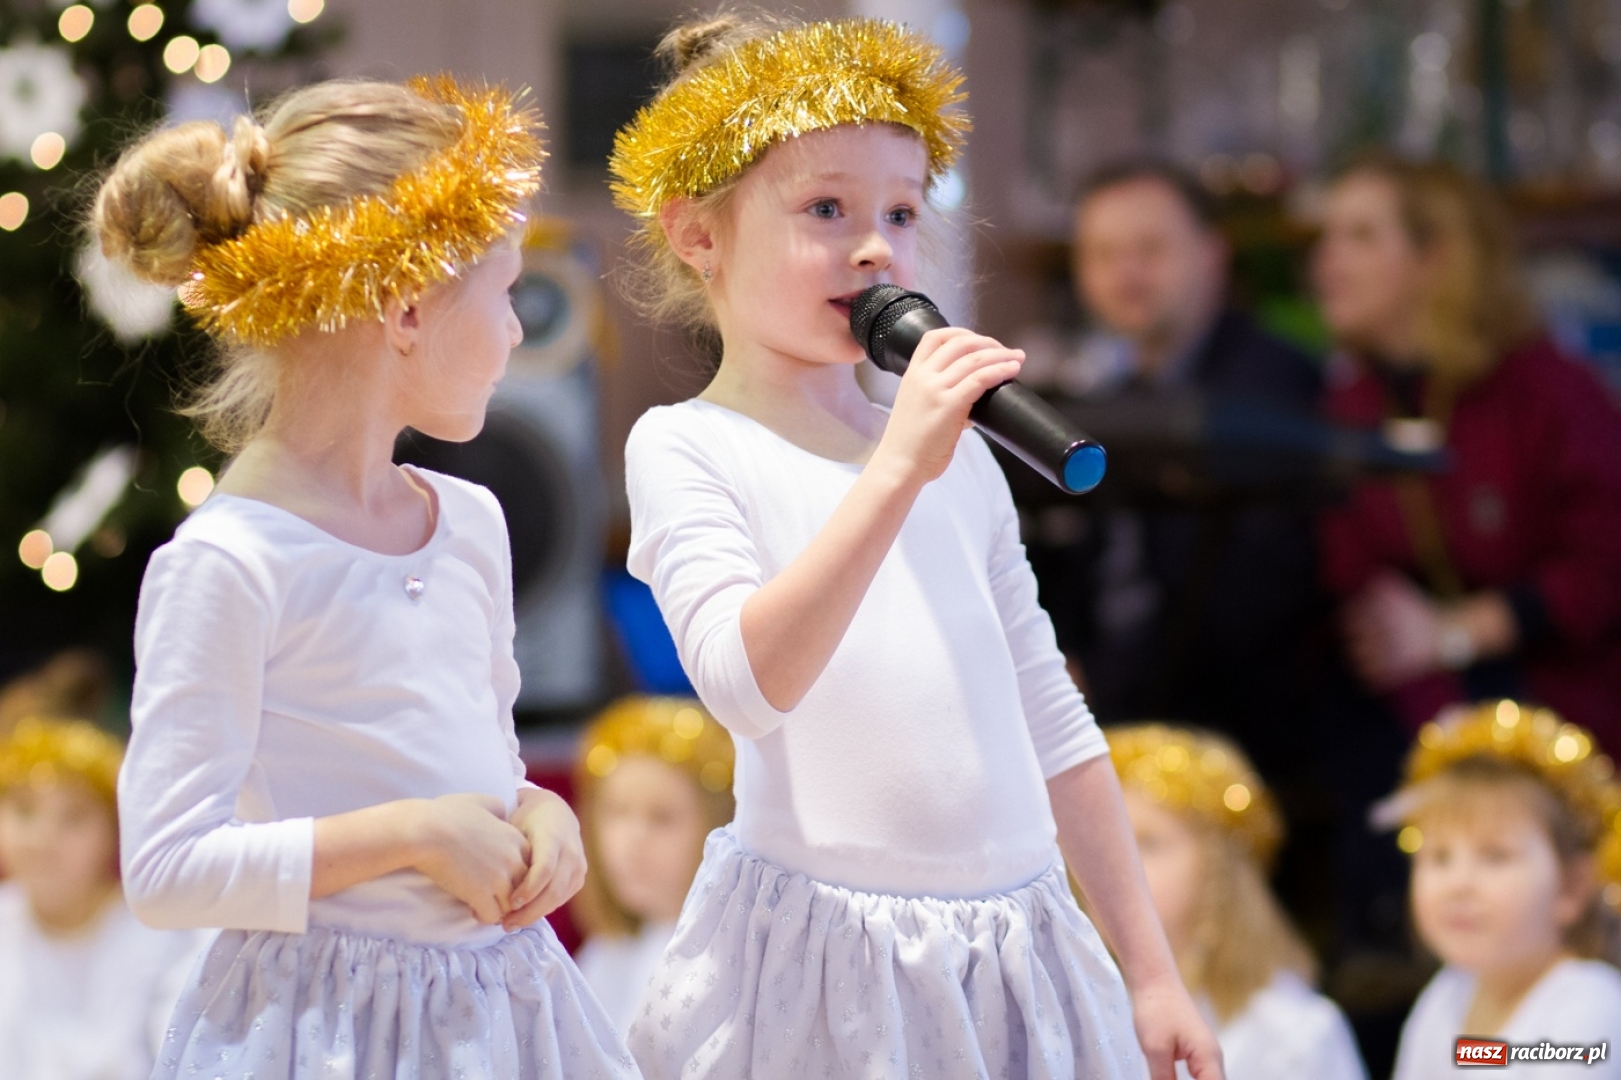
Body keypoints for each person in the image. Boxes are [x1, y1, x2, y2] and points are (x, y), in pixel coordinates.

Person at [611, 14, 1220, 1080]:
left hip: (1014, 939)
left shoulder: (957, 453)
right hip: (836, 957)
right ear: (698, 237)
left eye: (900, 209)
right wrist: (895, 468)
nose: (875, 246)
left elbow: (1051, 717)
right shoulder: (689, 444)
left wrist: (1151, 970)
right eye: (826, 208)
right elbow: (747, 686)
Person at [97, 76, 636, 1077]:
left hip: (492, 1014)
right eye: (505, 293)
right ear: (406, 308)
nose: (518, 330)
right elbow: (167, 870)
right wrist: (409, 835)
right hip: (323, 1031)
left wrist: (539, 811)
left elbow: (484, 766)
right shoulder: (230, 563)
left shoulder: (469, 523)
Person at [1023, 160, 1324, 782]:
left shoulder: (1269, 388)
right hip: (1128, 724)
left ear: (1213, 255)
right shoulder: (1117, 395)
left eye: (1151, 250)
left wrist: (1102, 683)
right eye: (1103, 254)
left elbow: (1254, 599)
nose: (1126, 273)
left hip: (1237, 749)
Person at [1315, 153, 1621, 750]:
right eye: (1328, 237)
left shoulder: (1548, 391)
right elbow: (1358, 587)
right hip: (1417, 718)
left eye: (1361, 237)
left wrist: (1459, 633)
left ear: (1437, 258)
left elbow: (1604, 565)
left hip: (1571, 718)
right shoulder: (1348, 404)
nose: (1327, 261)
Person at [1107, 724, 1366, 1080]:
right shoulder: (1084, 1011)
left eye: (1149, 843)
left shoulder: (1294, 1034)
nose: (1118, 866)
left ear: (1218, 872)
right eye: (1109, 844)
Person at [1379, 701, 1621, 1078]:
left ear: (1571, 887)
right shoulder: (1446, 995)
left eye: (1495, 856)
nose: (1458, 884)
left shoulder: (1591, 1004)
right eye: (1439, 857)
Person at [0, 717, 206, 1080]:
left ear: (115, 832)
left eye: (73, 818)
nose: (43, 837)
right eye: (24, 811)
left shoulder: (162, 935)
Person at [571, 696, 735, 1035]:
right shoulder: (605, 955)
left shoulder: (724, 965)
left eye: (662, 818)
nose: (634, 839)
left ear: (717, 827)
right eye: (617, 812)